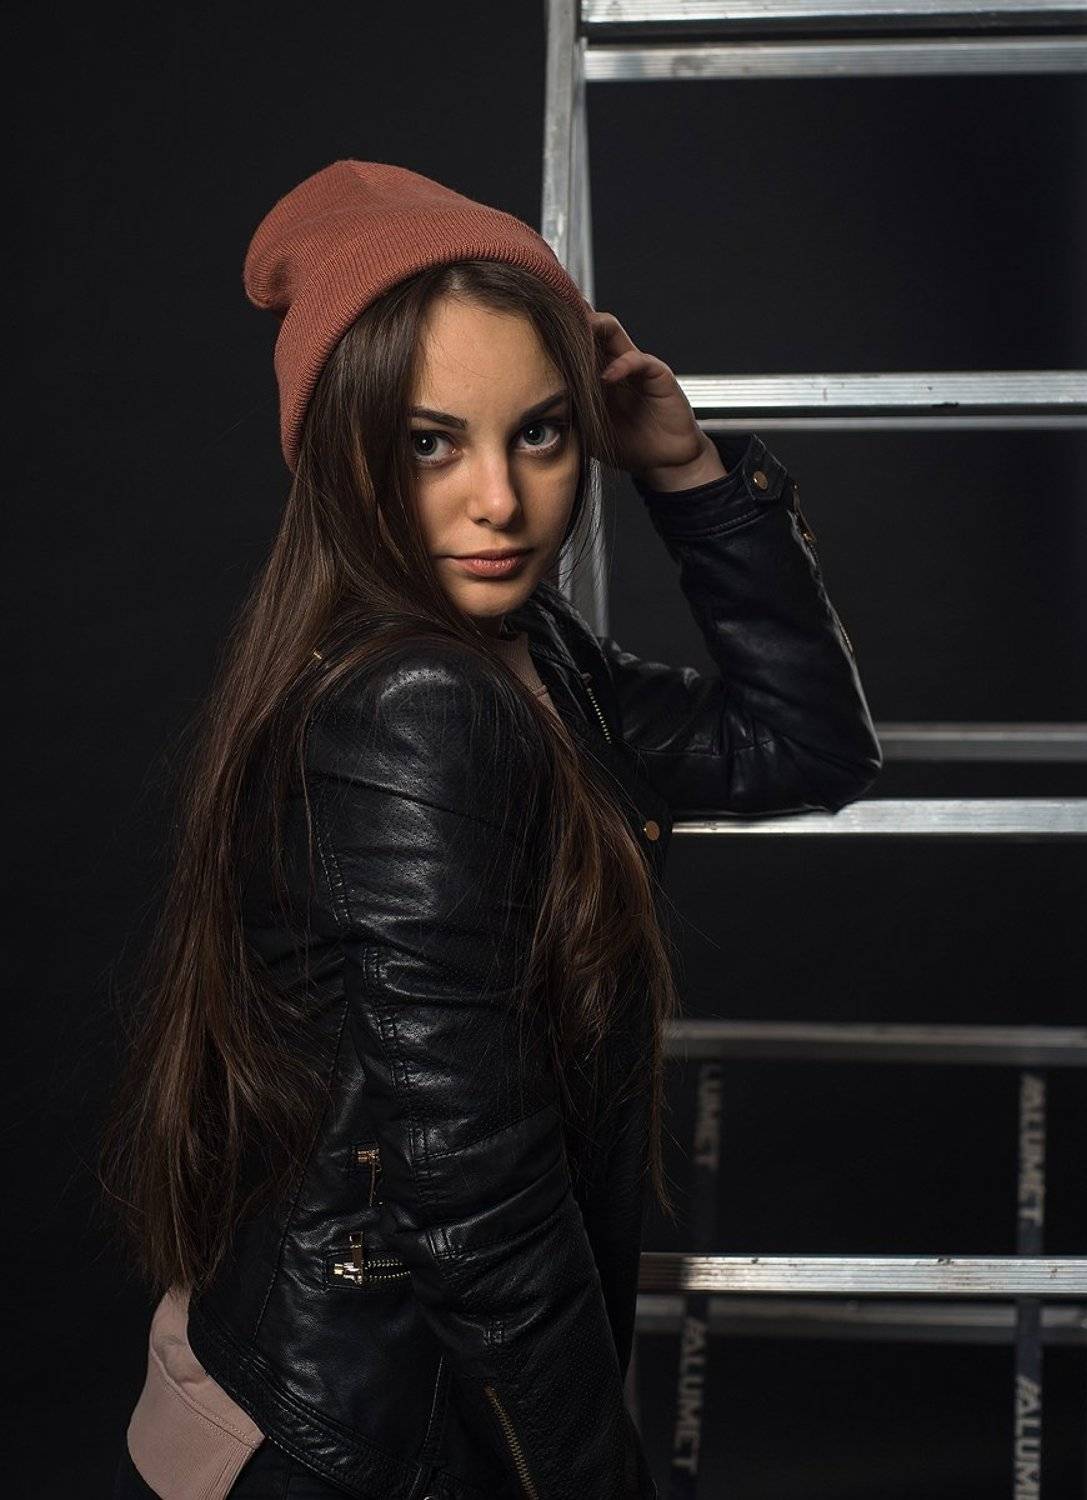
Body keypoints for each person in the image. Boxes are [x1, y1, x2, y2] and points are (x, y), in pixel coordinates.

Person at [100, 160, 883, 1499]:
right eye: (429, 442)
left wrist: (687, 470)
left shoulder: (530, 660)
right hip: (360, 1437)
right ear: (337, 445)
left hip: (376, 1390)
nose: (500, 502)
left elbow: (801, 744)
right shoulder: (416, 702)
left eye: (539, 434)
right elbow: (478, 1199)